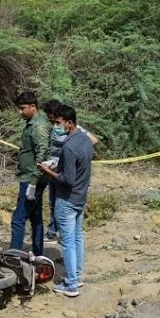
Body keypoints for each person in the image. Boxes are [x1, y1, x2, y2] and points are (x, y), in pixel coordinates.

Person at [37, 104, 93, 297]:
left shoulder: (69, 146)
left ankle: (70, 284)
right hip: (80, 196)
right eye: (53, 122)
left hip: (67, 199)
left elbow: (67, 179)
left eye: (58, 123)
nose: (55, 126)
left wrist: (48, 171)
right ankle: (76, 276)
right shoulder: (85, 139)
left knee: (68, 242)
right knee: (77, 237)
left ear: (69, 123)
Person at [42, 99, 99, 242]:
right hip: (54, 170)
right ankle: (53, 232)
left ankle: (62, 235)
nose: (51, 122)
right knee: (53, 203)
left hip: (64, 173)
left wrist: (76, 156)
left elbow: (92, 140)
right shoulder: (56, 129)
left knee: (63, 205)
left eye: (53, 118)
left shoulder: (72, 129)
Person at [9, 91, 51, 256]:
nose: (20, 112)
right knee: (35, 218)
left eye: (23, 108)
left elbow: (42, 154)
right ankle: (38, 254)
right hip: (31, 177)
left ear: (33, 107)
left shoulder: (38, 127)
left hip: (32, 179)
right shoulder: (33, 123)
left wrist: (33, 182)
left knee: (18, 219)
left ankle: (13, 257)